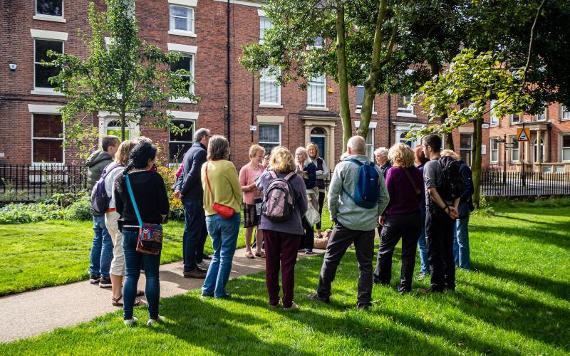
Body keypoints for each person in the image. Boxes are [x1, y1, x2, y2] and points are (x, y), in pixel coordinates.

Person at [309, 136, 389, 309]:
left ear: (349, 149)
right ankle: (364, 302)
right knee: (366, 265)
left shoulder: (343, 166)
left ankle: (322, 295)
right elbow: (385, 197)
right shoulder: (375, 168)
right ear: (365, 150)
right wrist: (375, 214)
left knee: (331, 258)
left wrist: (334, 215)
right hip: (367, 225)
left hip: (345, 221)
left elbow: (332, 196)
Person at [114, 139, 169, 326]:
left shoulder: (122, 178)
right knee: (152, 275)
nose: (154, 162)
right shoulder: (155, 178)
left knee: (131, 274)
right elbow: (164, 207)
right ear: (148, 160)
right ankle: (153, 317)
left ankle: (128, 317)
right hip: (150, 230)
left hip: (128, 229)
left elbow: (120, 208)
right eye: (153, 159)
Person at [257, 146, 308, 310]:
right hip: (291, 228)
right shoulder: (297, 179)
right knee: (287, 266)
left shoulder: (266, 176)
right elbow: (304, 206)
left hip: (268, 226)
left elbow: (260, 191)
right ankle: (288, 303)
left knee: (271, 265)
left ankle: (273, 301)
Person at [374, 144, 423, 293]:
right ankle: (405, 286)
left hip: (395, 217)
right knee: (409, 253)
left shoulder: (392, 172)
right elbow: (420, 194)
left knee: (385, 250)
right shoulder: (417, 172)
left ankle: (381, 280)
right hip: (414, 216)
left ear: (396, 156)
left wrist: (382, 214)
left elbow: (388, 196)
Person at [201, 135, 242, 299]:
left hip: (210, 215)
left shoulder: (204, 166)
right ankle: (219, 291)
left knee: (217, 254)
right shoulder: (227, 165)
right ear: (224, 149)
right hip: (228, 214)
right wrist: (237, 205)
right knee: (225, 255)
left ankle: (207, 288)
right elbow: (237, 190)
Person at [104, 139, 140, 306]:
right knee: (120, 255)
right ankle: (117, 296)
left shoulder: (111, 167)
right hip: (117, 215)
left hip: (110, 215)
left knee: (121, 253)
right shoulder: (121, 172)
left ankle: (126, 288)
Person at [422, 134, 460, 293]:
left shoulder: (430, 165)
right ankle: (449, 284)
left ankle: (436, 286)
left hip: (436, 212)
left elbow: (431, 191)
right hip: (451, 212)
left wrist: (444, 208)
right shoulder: (451, 163)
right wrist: (453, 208)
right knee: (447, 248)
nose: (423, 150)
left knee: (434, 249)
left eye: (424, 146)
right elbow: (458, 190)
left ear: (429, 147)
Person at [177, 128, 212, 278]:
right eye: (209, 137)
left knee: (189, 230)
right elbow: (193, 174)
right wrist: (183, 191)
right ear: (203, 137)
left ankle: (191, 260)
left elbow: (183, 173)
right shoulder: (201, 152)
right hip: (194, 197)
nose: (210, 139)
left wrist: (180, 189)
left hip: (190, 197)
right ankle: (190, 267)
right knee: (192, 232)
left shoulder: (190, 150)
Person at [87, 135, 119, 288]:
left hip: (95, 206)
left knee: (97, 239)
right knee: (107, 241)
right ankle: (105, 276)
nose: (118, 149)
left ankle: (94, 273)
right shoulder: (108, 164)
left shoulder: (94, 161)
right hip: (105, 208)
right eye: (117, 146)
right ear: (111, 147)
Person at [441, 149, 474, 270]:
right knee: (454, 237)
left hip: (462, 206)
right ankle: (455, 263)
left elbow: (470, 188)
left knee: (461, 237)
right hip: (454, 206)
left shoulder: (463, 168)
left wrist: (458, 199)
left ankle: (464, 266)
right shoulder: (451, 169)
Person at [239, 144, 266, 259]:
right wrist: (251, 186)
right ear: (252, 156)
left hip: (260, 201)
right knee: (249, 226)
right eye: (259, 156)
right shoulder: (245, 169)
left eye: (262, 156)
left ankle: (259, 249)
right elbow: (240, 187)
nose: (260, 158)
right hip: (249, 202)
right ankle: (248, 249)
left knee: (260, 226)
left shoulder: (262, 168)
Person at [295, 147, 317, 254]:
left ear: (305, 155)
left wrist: (302, 175)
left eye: (300, 154)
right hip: (297, 196)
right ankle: (300, 244)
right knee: (299, 221)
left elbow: (312, 182)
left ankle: (309, 246)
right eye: (297, 154)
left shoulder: (311, 166)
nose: (298, 156)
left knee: (309, 221)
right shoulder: (294, 166)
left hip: (309, 196)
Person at [307, 143, 329, 238]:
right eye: (310, 150)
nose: (312, 151)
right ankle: (310, 230)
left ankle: (319, 230)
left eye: (313, 149)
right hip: (311, 189)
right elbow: (305, 175)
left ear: (316, 151)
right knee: (312, 210)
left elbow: (326, 173)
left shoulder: (321, 160)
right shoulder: (306, 162)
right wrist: (318, 173)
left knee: (319, 209)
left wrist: (312, 174)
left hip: (320, 188)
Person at [414, 145, 430, 279]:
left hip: (420, 209)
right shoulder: (429, 168)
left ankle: (425, 269)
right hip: (430, 208)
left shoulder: (419, 171)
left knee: (422, 241)